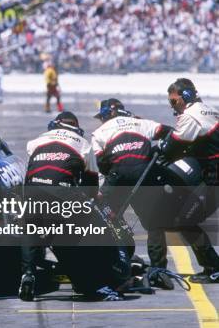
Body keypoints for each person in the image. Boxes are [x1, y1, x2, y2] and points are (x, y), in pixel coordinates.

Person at [22, 112, 129, 301]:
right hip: (62, 194)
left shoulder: (35, 141)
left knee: (32, 230)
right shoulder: (83, 144)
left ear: (55, 125)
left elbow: (30, 173)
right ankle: (95, 282)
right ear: (76, 128)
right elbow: (91, 187)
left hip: (32, 192)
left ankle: (28, 274)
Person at [91, 98, 175, 289]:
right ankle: (158, 269)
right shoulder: (141, 122)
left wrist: (115, 175)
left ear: (107, 114)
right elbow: (170, 133)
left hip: (117, 173)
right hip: (143, 171)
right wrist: (159, 151)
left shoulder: (99, 132)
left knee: (106, 218)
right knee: (155, 223)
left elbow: (100, 163)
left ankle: (117, 260)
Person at [160, 78, 219, 283]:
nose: (172, 106)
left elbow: (171, 148)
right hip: (211, 175)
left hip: (214, 178)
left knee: (185, 220)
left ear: (185, 97)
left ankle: (214, 267)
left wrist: (160, 147)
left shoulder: (191, 117)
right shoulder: (208, 110)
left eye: (174, 101)